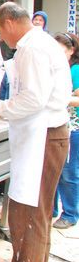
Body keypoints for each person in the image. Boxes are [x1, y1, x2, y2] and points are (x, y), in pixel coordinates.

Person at [0, 2, 70, 262]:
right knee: (36, 211)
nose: (1, 39)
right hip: (43, 135)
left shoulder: (33, 48)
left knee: (29, 212)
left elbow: (33, 99)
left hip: (45, 137)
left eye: (0, 31)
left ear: (10, 23)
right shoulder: (40, 42)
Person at [52, 32, 79, 230]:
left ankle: (70, 213)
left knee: (68, 173)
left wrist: (63, 97)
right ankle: (50, 210)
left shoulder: (75, 70)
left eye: (63, 50)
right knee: (52, 170)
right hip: (54, 125)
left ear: (72, 50)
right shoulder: (53, 69)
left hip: (73, 128)